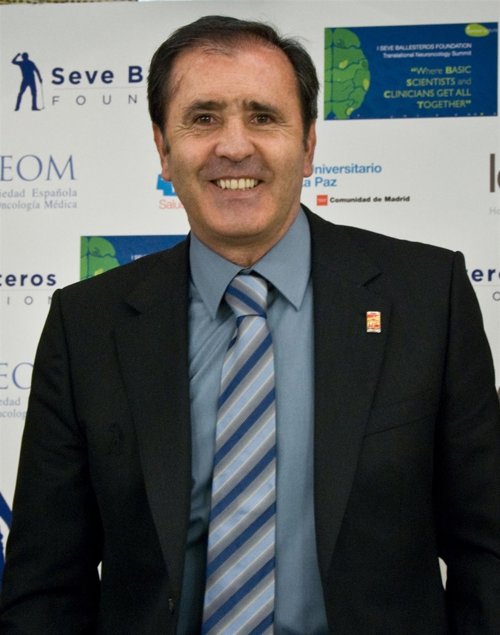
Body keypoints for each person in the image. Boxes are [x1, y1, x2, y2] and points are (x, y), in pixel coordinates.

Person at [1, 14, 499, 634]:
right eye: (203, 118)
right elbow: (45, 586)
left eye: (263, 117)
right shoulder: (87, 325)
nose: (234, 146)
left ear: (308, 145)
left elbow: (488, 552)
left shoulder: (427, 299)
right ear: (163, 148)